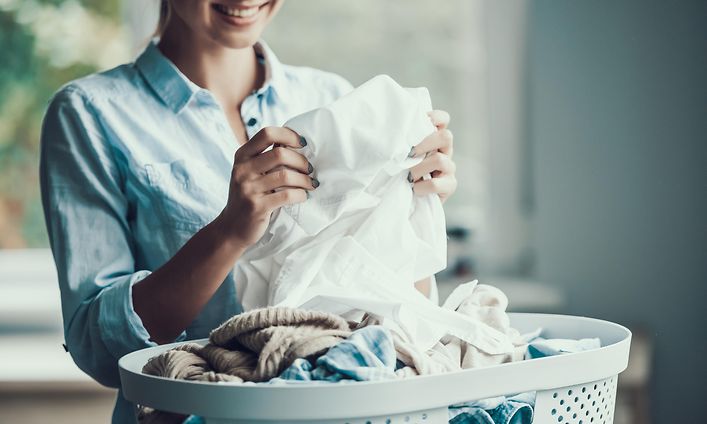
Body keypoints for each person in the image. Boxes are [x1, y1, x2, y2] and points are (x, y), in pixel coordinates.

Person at [39, 1, 457, 422]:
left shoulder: (334, 98)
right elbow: (98, 350)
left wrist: (411, 209)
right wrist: (229, 232)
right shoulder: (89, 114)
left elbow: (392, 315)